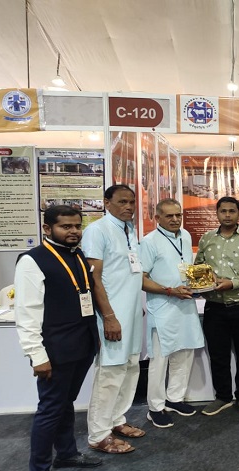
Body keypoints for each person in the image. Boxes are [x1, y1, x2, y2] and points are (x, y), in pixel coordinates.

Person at [15, 206, 102, 471]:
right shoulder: (32, 260)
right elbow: (26, 312)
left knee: (66, 403)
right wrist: (36, 355)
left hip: (82, 343)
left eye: (77, 226)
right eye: (66, 226)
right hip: (54, 349)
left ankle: (66, 454)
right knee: (50, 410)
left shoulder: (77, 255)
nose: (73, 231)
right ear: (47, 228)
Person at [83, 184, 145, 454]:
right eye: (122, 201)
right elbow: (94, 278)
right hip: (112, 316)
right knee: (110, 372)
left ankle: (116, 419)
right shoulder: (97, 230)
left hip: (131, 313)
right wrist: (108, 316)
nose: (128, 206)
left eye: (131, 202)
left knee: (130, 367)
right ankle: (98, 434)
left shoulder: (129, 229)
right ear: (106, 202)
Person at [140, 199, 205, 428]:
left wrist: (199, 285)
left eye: (178, 215)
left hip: (185, 305)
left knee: (184, 353)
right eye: (169, 216)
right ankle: (155, 407)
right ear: (157, 218)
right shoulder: (149, 242)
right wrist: (169, 290)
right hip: (163, 308)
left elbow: (186, 268)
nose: (175, 219)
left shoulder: (185, 236)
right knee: (160, 360)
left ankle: (174, 398)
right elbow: (141, 279)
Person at [195, 196, 239, 416]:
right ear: (217, 213)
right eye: (223, 211)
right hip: (214, 307)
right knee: (218, 355)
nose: (228, 215)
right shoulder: (207, 238)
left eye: (232, 211)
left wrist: (233, 283)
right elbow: (198, 267)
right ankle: (222, 396)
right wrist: (204, 280)